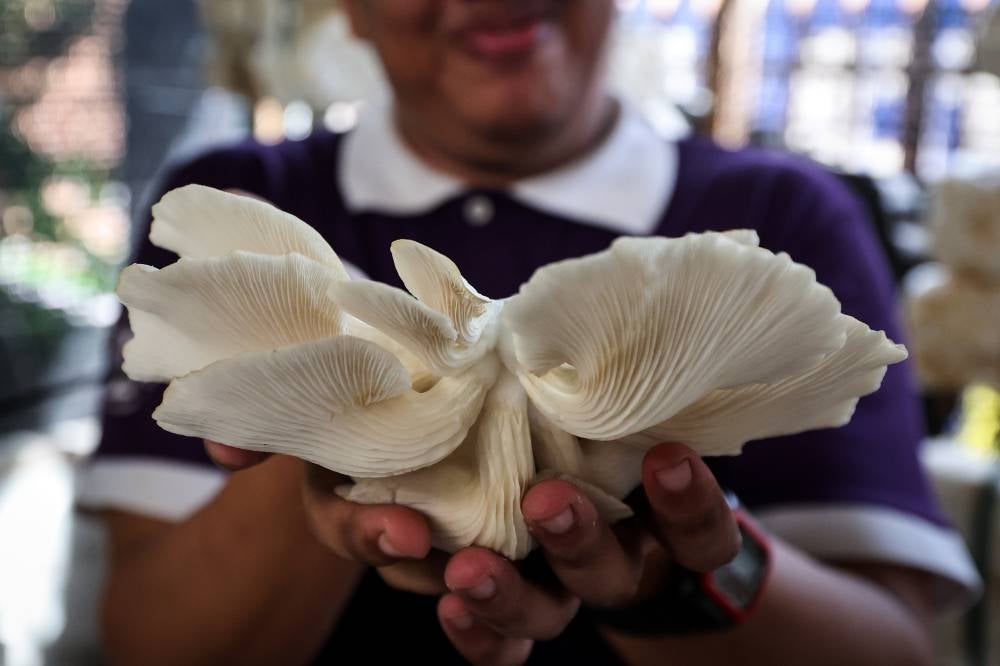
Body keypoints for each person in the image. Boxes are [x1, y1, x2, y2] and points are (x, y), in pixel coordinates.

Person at [78, 2, 980, 664]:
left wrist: (676, 578)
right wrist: (329, 435)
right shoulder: (246, 203)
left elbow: (892, 650)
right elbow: (154, 645)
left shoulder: (778, 214)